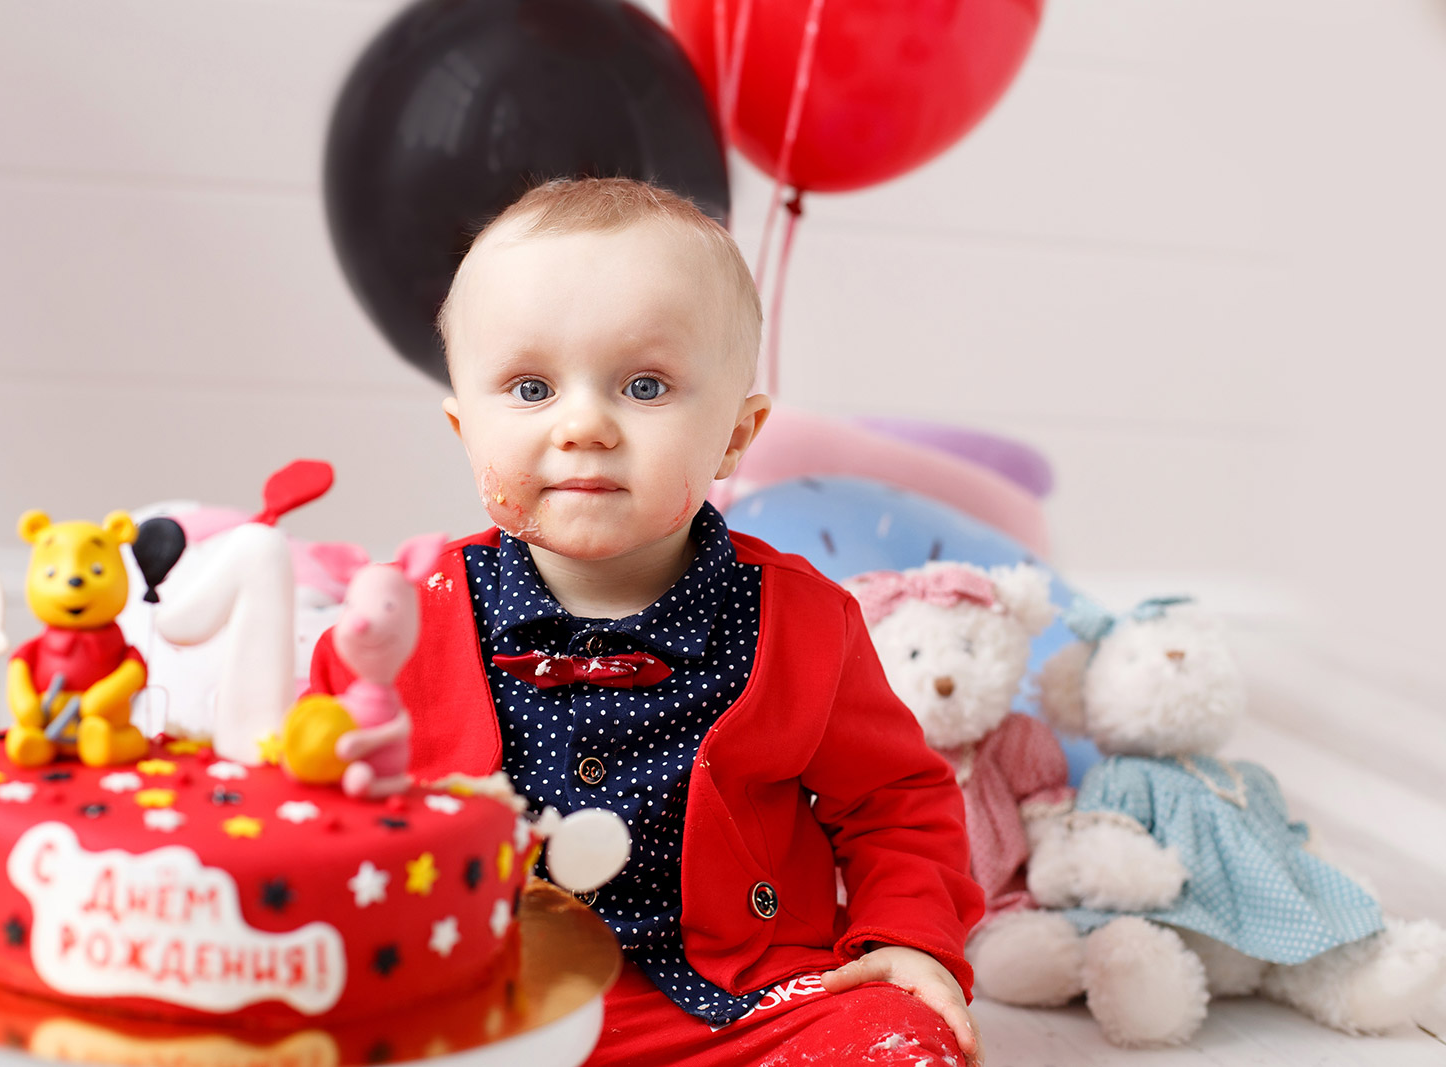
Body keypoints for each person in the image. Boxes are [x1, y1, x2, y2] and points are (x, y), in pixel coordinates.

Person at [308, 177, 986, 1066]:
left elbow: (895, 802)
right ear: (464, 427)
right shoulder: (398, 621)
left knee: (903, 1043)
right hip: (475, 995)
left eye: (644, 384)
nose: (585, 424)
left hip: (738, 1001)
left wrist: (906, 937)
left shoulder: (805, 622)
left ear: (735, 436)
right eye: (531, 386)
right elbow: (311, 801)